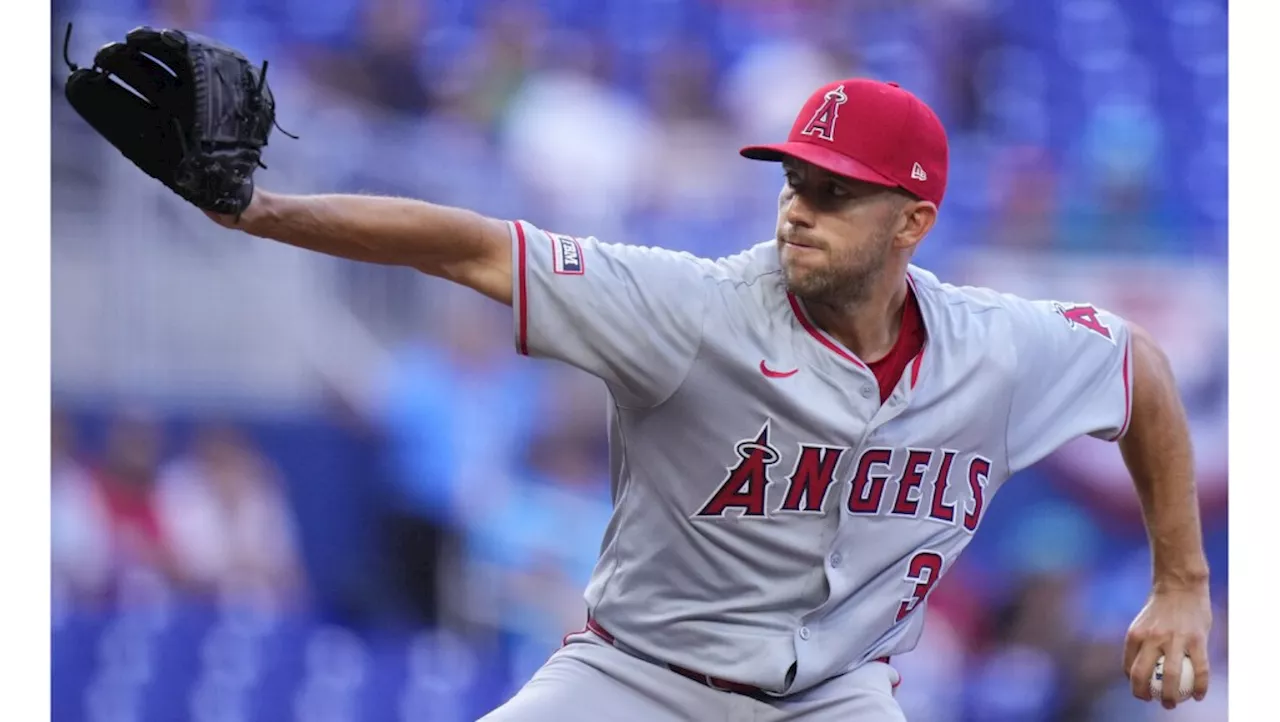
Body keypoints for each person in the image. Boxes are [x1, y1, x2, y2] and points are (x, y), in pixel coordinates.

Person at [204, 78, 1212, 721]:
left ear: (912, 220)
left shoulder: (995, 348)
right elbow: (472, 246)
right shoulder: (690, 307)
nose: (798, 207)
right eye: (792, 179)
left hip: (836, 691)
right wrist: (260, 209)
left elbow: (1141, 373)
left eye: (833, 190)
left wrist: (1179, 578)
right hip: (637, 676)